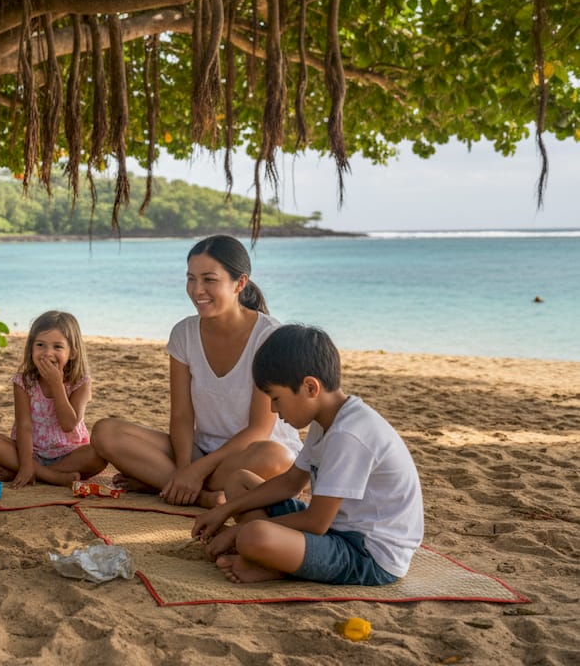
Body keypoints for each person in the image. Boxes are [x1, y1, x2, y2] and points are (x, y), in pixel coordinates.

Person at [190, 325, 425, 585]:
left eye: (276, 398)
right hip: (338, 530)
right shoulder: (326, 420)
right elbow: (291, 483)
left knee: (253, 536)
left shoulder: (348, 434)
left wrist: (237, 532)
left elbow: (316, 523)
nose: (273, 409)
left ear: (310, 388)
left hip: (367, 554)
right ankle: (274, 560)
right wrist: (226, 511)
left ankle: (276, 563)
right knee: (239, 482)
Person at [91, 235, 300, 508]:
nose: (196, 289)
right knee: (105, 432)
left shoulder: (269, 336)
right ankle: (200, 496)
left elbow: (259, 430)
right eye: (191, 279)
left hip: (253, 453)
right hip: (199, 451)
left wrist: (195, 472)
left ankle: (161, 482)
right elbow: (181, 416)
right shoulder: (183, 333)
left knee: (275, 458)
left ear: (240, 283)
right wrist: (185, 466)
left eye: (209, 280)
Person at [0, 310, 107, 488]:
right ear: (31, 348)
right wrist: (25, 463)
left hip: (70, 453)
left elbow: (69, 424)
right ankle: (49, 476)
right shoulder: (23, 382)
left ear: (73, 353)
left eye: (57, 347)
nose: (48, 353)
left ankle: (34, 472)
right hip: (31, 452)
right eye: (40, 345)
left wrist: (57, 385)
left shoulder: (81, 383)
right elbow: (24, 426)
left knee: (99, 455)